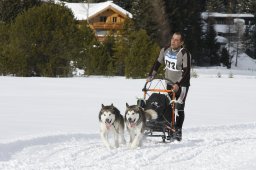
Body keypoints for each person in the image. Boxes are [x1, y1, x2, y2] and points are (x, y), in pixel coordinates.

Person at [146, 32, 191, 141]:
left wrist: (178, 84)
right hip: (169, 83)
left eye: (176, 40)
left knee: (179, 107)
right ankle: (171, 128)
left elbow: (186, 71)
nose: (173, 41)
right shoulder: (165, 49)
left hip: (182, 85)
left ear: (181, 42)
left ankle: (178, 130)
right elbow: (157, 63)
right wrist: (151, 75)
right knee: (170, 106)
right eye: (172, 39)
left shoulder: (184, 53)